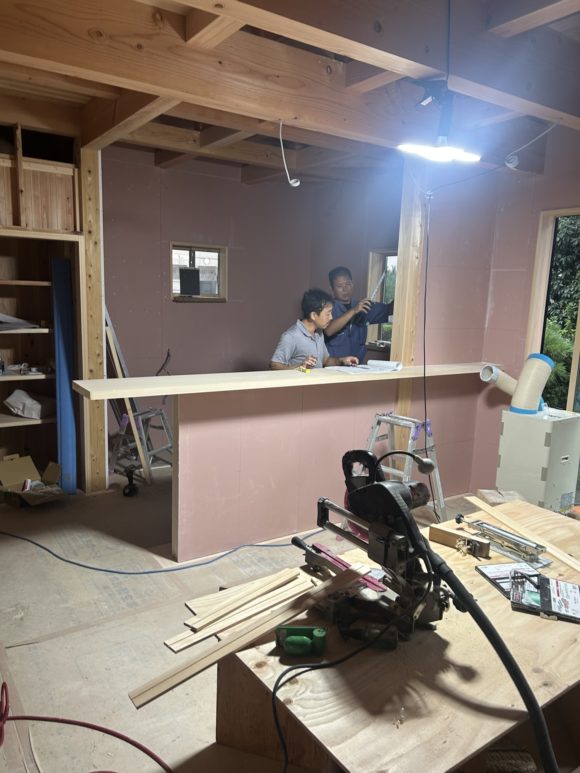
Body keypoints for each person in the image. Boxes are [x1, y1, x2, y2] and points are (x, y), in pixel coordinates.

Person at [270, 289, 359, 370]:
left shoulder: (319, 332)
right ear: (313, 315)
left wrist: (342, 360)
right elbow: (274, 365)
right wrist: (300, 368)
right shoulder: (291, 336)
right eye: (328, 314)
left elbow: (325, 360)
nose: (331, 317)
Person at [325, 266, 394, 363]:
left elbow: (390, 309)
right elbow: (328, 331)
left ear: (352, 284)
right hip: (334, 367)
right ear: (332, 289)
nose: (345, 289)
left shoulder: (363, 306)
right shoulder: (327, 308)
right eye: (339, 286)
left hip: (357, 366)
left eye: (348, 284)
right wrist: (353, 311)